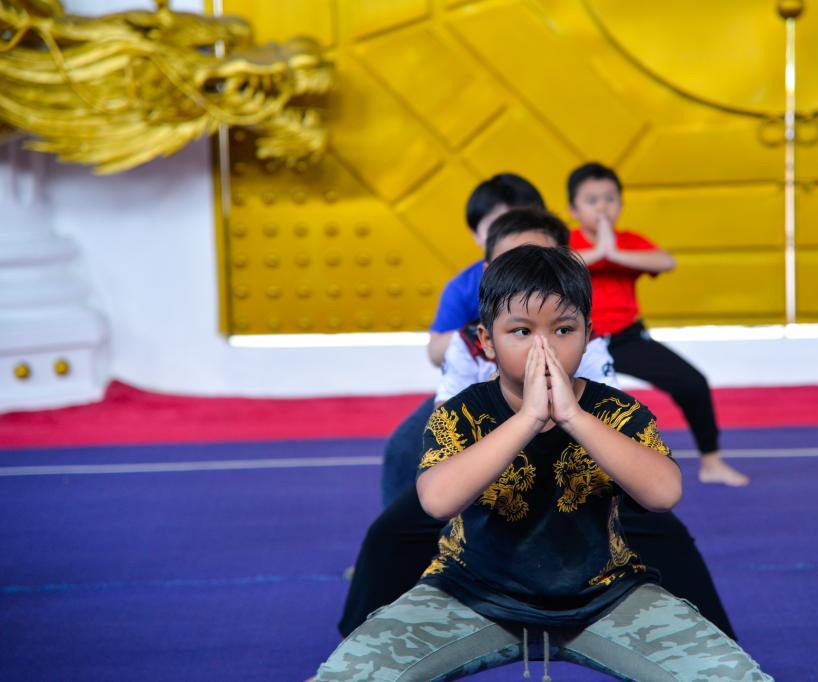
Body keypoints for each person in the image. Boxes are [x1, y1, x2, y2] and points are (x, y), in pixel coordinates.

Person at [315, 245, 771, 681]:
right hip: (469, 595)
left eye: (563, 330)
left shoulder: (617, 412)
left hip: (606, 598)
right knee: (344, 675)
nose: (544, 349)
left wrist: (571, 415)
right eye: (521, 332)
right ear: (486, 342)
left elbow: (664, 493)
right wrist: (531, 417)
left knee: (738, 676)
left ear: (589, 335)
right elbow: (436, 501)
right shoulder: (460, 413)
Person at [567, 162, 750, 486]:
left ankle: (711, 462)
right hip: (578, 343)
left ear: (621, 204)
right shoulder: (567, 241)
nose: (602, 207)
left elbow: (666, 261)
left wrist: (615, 253)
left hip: (626, 338)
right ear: (574, 208)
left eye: (610, 199)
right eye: (592, 200)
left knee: (692, 382)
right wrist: (599, 252)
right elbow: (556, 264)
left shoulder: (629, 241)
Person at [380, 173, 546, 505]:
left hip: (550, 389)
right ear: (477, 235)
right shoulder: (466, 286)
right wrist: (474, 335)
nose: (514, 238)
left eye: (522, 223)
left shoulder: (564, 278)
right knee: (405, 447)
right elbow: (436, 352)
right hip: (478, 386)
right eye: (501, 226)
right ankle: (399, 549)